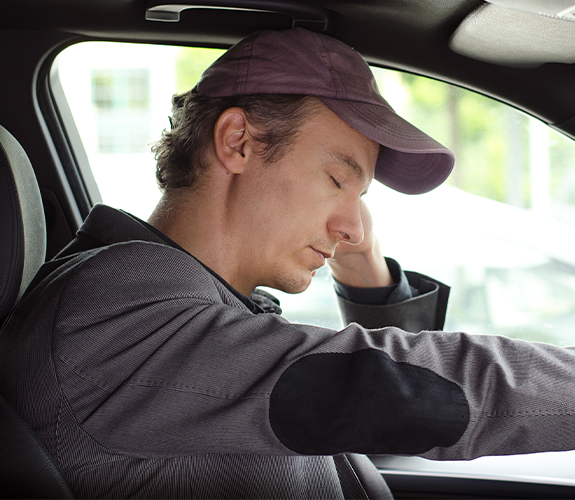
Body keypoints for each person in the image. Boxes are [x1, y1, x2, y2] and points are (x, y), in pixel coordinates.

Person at [2, 27, 575, 499]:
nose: (353, 223)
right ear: (239, 142)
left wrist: (364, 264)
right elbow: (376, 386)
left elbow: (363, 409)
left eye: (362, 197)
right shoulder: (115, 311)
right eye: (336, 179)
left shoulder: (198, 306)